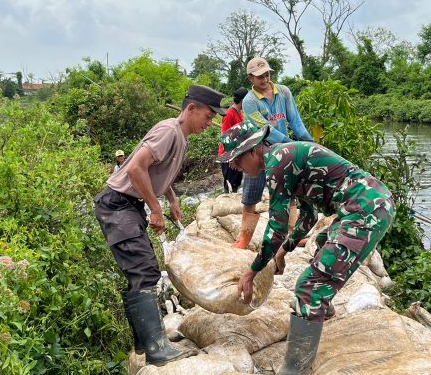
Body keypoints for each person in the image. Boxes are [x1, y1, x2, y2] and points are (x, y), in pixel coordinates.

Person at [216, 122, 396, 374]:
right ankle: (322, 307)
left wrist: (253, 270)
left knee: (309, 287)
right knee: (322, 247)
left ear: (253, 150)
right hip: (361, 208)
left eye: (236, 160)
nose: (235, 167)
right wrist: (283, 251)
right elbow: (308, 217)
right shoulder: (286, 158)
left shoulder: (278, 161)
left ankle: (295, 368)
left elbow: (276, 227)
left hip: (365, 210)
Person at [93, 85, 225, 366]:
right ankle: (156, 348)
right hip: (117, 204)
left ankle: (145, 341)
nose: (210, 123)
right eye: (208, 116)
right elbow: (135, 169)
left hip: (127, 205)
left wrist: (172, 198)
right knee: (145, 269)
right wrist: (155, 209)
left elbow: (157, 172)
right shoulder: (168, 131)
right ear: (191, 109)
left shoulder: (181, 137)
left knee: (139, 271)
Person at [233, 57, 314, 250]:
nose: (265, 79)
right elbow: (265, 129)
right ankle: (245, 239)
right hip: (258, 153)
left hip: (283, 153)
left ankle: (294, 234)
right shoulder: (249, 101)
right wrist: (291, 144)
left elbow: (295, 120)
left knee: (290, 194)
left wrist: (309, 142)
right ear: (250, 78)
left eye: (267, 74)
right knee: (251, 195)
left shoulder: (283, 91)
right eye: (260, 76)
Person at [219, 87, 249, 193]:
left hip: (237, 153)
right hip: (229, 155)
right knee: (230, 184)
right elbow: (225, 137)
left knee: (237, 181)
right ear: (243, 101)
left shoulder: (240, 113)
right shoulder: (229, 114)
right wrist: (231, 157)